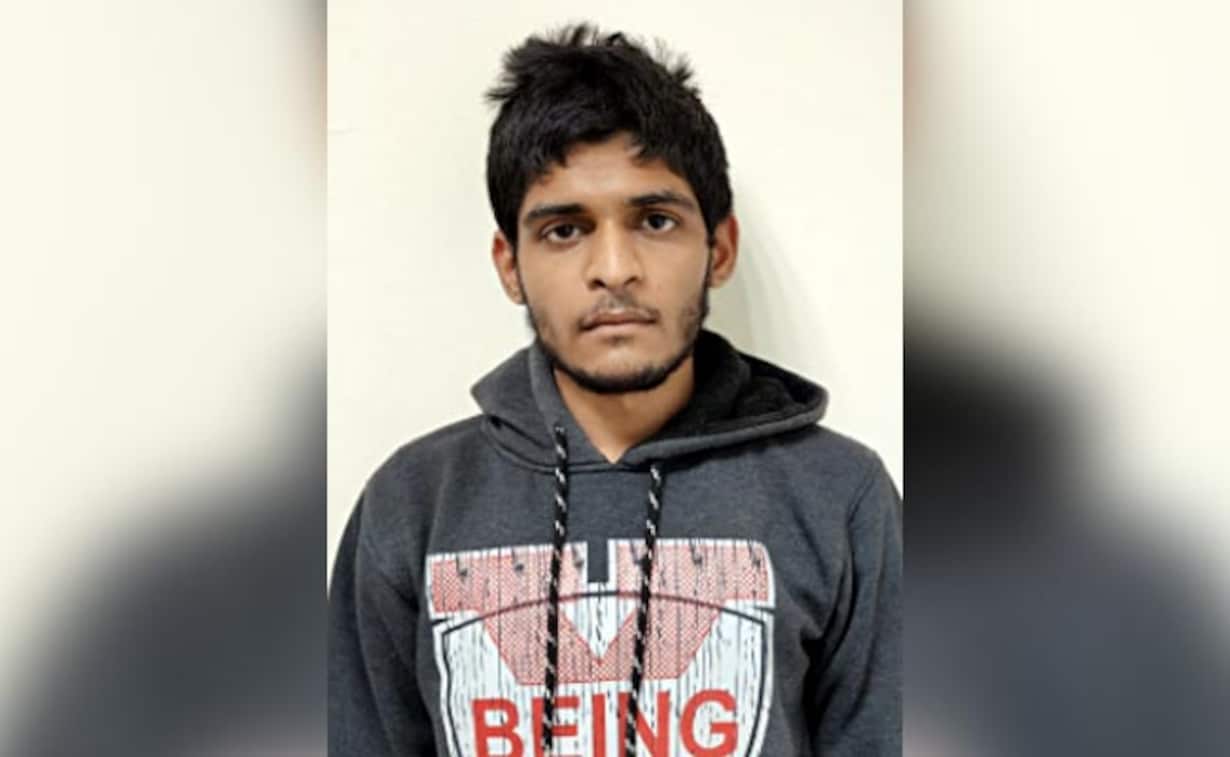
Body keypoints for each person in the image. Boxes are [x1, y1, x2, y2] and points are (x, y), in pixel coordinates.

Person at [329, 24, 901, 757]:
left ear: (719, 248)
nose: (614, 268)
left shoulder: (840, 497)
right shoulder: (412, 506)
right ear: (509, 265)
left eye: (655, 221)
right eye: (565, 230)